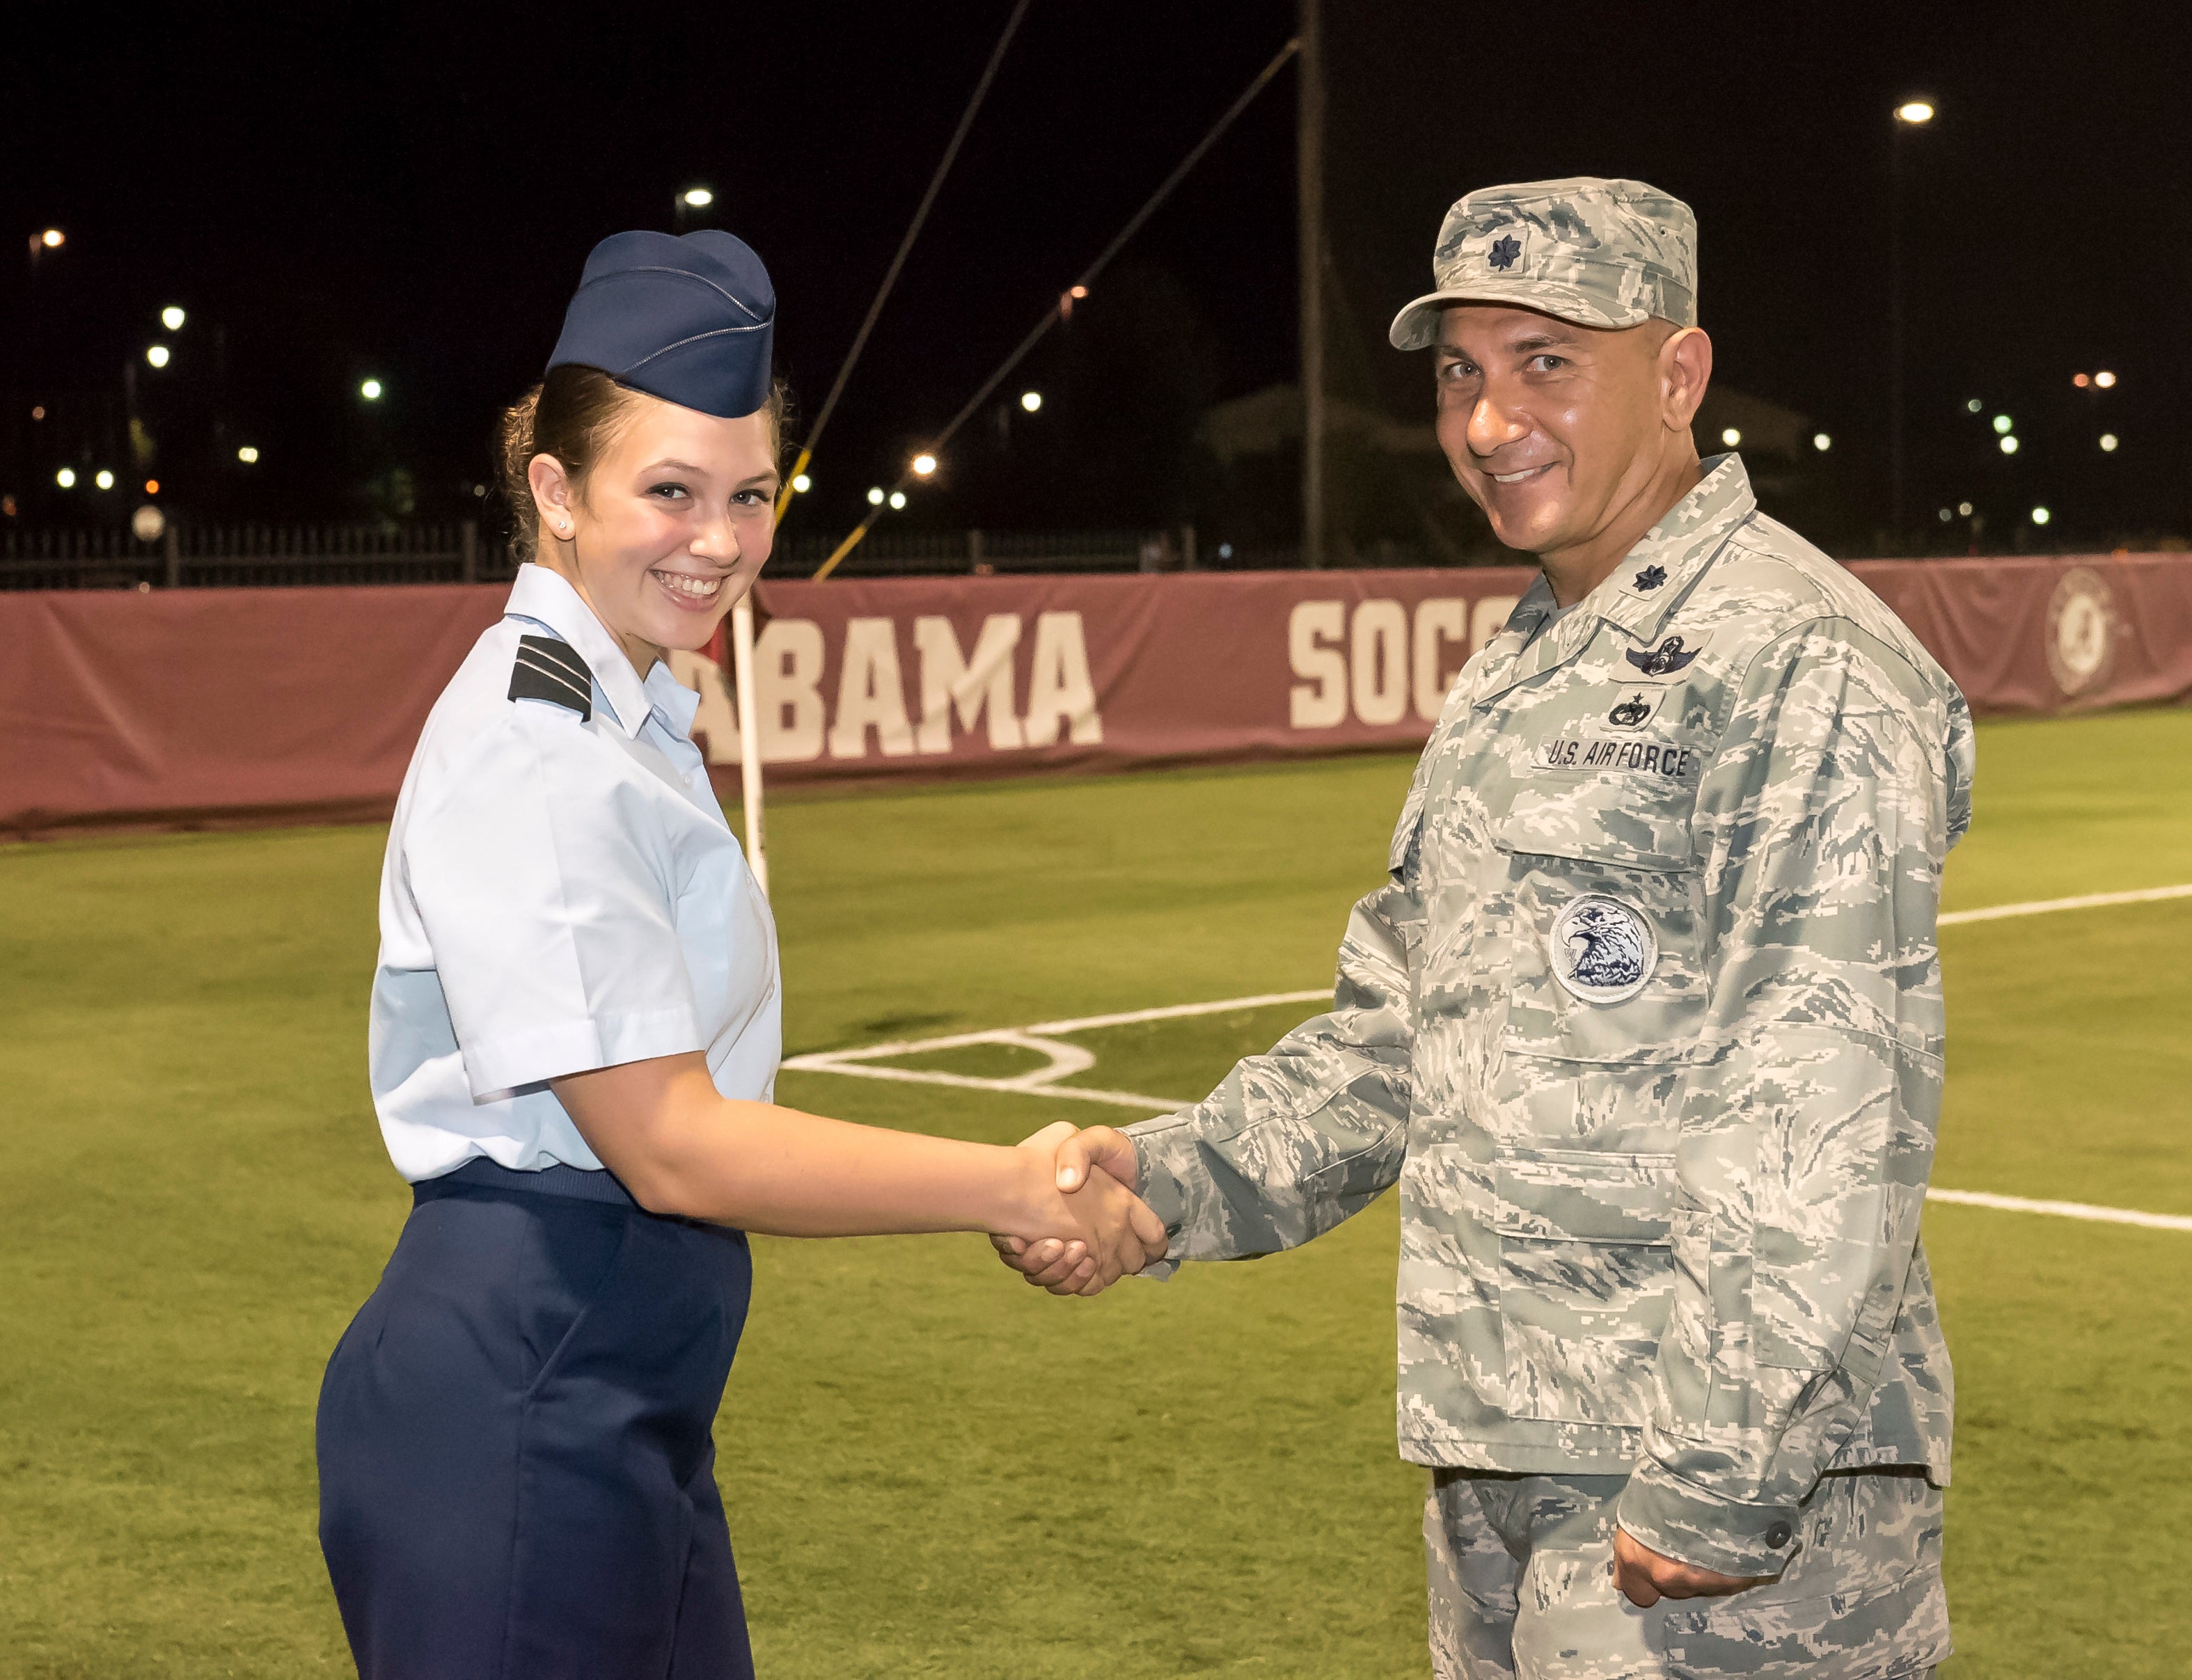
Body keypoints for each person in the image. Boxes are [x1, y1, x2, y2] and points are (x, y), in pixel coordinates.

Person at [998, 179, 1974, 1679]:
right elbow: (1406, 1033)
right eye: (1460, 368)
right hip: (1510, 1449)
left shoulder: (1798, 655)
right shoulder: (1527, 662)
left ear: (1680, 375)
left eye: (1547, 361)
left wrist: (1718, 1468)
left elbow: (1823, 1091)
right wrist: (1174, 1176)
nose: (1487, 418)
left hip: (1708, 1503)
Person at [316, 228, 1165, 1679]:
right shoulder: (539, 751)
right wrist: (1009, 1184)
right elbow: (673, 1149)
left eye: (751, 494)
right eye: (669, 491)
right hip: (525, 1389)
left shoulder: (623, 711)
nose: (719, 539)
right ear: (555, 494)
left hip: (621, 1396)